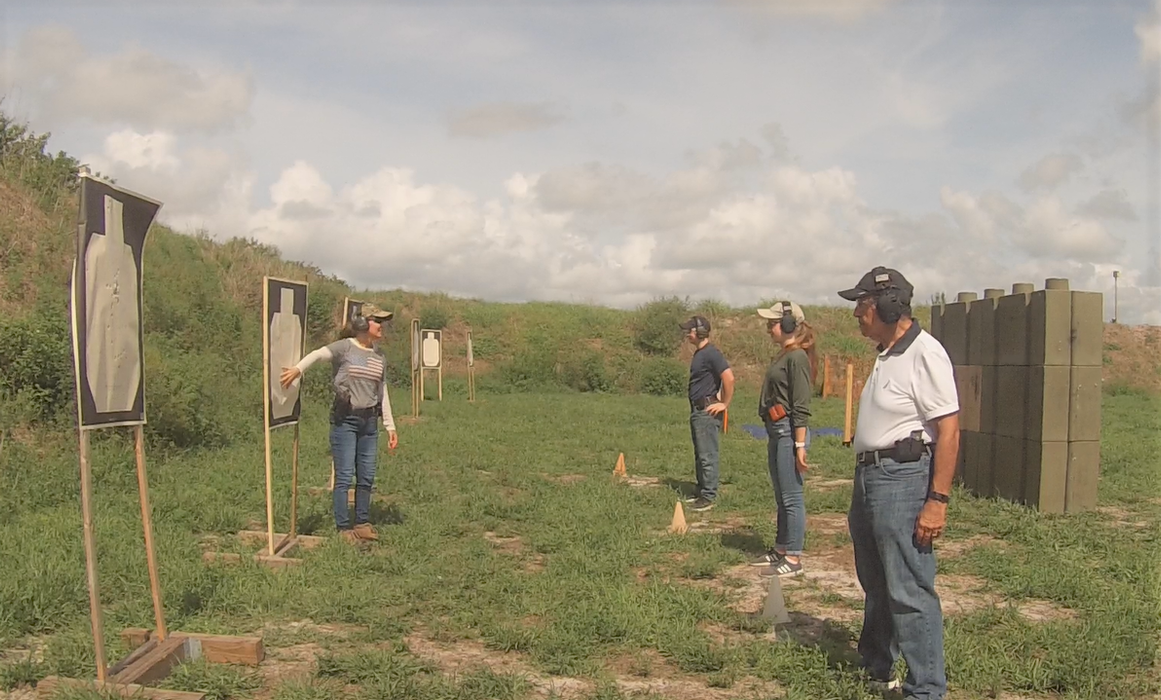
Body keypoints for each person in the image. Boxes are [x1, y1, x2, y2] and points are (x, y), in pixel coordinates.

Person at [838, 266, 960, 700]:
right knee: (875, 580)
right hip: (871, 476)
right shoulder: (887, 353)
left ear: (886, 306)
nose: (857, 313)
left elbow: (949, 430)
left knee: (909, 587)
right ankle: (877, 663)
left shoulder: (925, 353)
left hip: (902, 479)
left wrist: (937, 501)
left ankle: (926, 689)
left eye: (862, 304)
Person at [280, 302, 399, 544]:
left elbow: (382, 390)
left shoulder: (379, 356)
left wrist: (390, 425)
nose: (382, 326)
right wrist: (297, 370)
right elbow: (317, 354)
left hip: (369, 423)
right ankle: (343, 526)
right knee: (344, 476)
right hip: (346, 419)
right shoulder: (345, 348)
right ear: (363, 323)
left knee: (366, 476)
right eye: (378, 321)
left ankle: (362, 523)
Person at [750, 301, 817, 578]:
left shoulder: (797, 358)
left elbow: (801, 405)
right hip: (777, 431)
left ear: (789, 325)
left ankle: (794, 557)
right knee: (781, 496)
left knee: (791, 497)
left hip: (789, 432)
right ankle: (781, 549)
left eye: (774, 322)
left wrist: (800, 445)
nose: (769, 327)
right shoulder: (784, 355)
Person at [679, 315, 735, 512]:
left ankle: (709, 495)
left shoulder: (712, 354)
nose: (688, 334)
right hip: (698, 410)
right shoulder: (701, 353)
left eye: (690, 330)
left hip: (706, 410)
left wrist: (724, 403)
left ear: (700, 332)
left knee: (707, 454)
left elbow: (728, 378)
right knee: (699, 453)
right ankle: (702, 489)